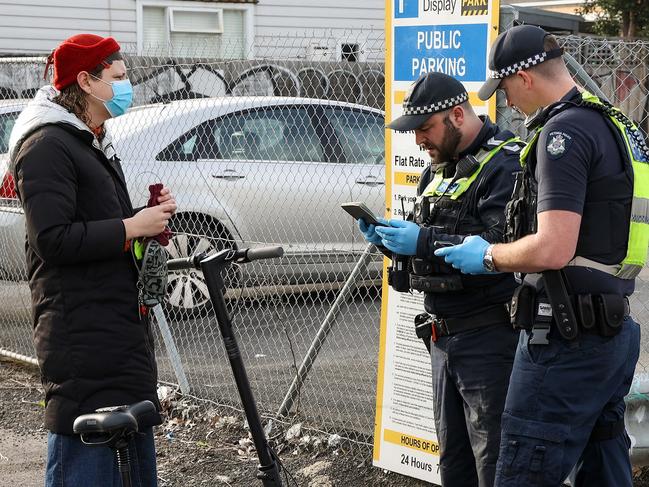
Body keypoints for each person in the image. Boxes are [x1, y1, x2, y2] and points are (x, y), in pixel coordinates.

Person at [436, 25, 648, 487]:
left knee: (522, 470)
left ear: (526, 78)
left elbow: (554, 246)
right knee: (605, 465)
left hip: (566, 340)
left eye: (506, 89)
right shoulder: (619, 125)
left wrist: (489, 255)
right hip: (613, 332)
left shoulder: (563, 133)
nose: (507, 103)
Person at [8, 34, 176, 486]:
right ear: (85, 80)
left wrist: (146, 218)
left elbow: (102, 227)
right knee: (84, 455)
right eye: (118, 78)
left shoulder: (93, 140)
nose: (128, 87)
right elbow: (52, 239)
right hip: (80, 332)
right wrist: (130, 227)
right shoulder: (46, 146)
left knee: (130, 453)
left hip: (114, 326)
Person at [358, 72, 522, 487]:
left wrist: (424, 240)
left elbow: (500, 247)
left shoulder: (506, 163)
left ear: (456, 115)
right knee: (454, 464)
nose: (418, 141)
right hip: (442, 339)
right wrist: (393, 243)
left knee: (495, 463)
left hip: (490, 339)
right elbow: (430, 248)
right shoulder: (437, 171)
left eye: (425, 129)